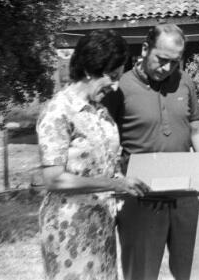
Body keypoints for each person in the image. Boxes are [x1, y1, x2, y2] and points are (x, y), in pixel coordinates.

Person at [103, 23, 199, 280]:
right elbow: (105, 140)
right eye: (162, 59)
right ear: (146, 49)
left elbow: (196, 130)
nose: (168, 68)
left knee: (192, 273)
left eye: (175, 62)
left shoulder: (185, 83)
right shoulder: (120, 88)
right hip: (141, 200)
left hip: (186, 195)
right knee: (142, 274)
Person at [37, 30, 150, 280]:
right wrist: (113, 184)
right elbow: (54, 179)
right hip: (69, 227)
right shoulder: (58, 111)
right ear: (90, 69)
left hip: (102, 224)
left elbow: (107, 167)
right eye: (112, 76)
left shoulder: (101, 112)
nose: (116, 85)